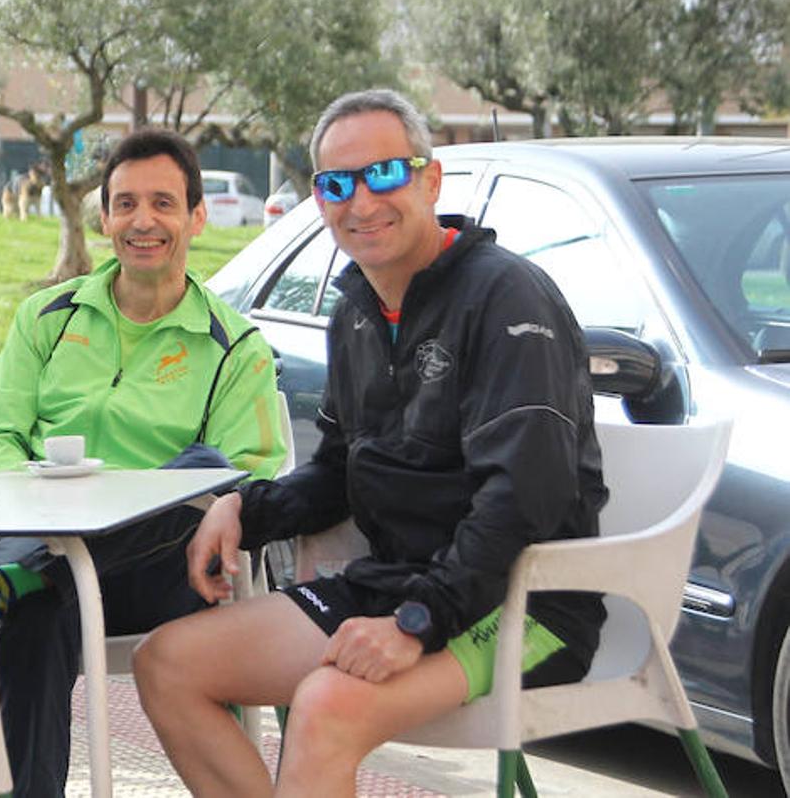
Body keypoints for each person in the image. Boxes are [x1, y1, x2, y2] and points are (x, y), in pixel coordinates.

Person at [131, 89, 608, 796]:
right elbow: (338, 470)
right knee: (166, 663)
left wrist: (416, 623)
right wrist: (246, 510)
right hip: (398, 584)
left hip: (523, 601)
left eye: (383, 174)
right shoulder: (355, 310)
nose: (360, 202)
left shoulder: (508, 297)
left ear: (429, 179)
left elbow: (521, 498)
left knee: (326, 704)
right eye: (334, 184)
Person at [0, 128, 289, 796]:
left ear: (196, 216)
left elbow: (244, 481)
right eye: (126, 204)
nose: (143, 221)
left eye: (163, 203)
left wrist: (90, 530)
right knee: (36, 609)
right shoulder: (43, 319)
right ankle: (29, 577)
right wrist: (49, 509)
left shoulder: (235, 346)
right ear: (102, 217)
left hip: (160, 575)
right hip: (39, 536)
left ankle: (10, 583)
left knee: (205, 465)